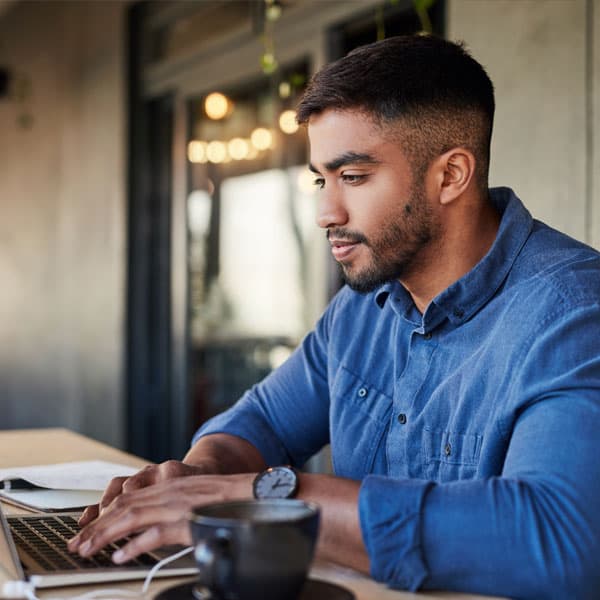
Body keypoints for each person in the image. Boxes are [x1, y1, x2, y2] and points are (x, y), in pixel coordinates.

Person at [68, 35, 600, 599]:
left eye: (353, 177)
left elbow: (559, 539)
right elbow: (263, 424)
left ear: (451, 175)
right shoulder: (361, 309)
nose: (325, 212)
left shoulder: (573, 313)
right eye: (322, 178)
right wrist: (196, 480)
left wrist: (271, 497)